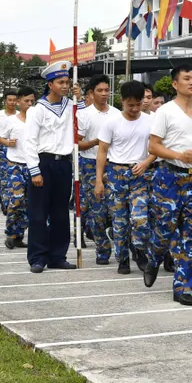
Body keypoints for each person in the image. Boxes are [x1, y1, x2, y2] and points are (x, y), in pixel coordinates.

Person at [144, 63, 192, 304]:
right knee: (164, 229)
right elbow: (153, 147)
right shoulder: (166, 111)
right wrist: (177, 155)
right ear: (175, 84)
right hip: (169, 177)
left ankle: (183, 286)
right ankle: (153, 257)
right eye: (187, 79)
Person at [21, 62, 79, 273]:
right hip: (44, 162)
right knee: (38, 213)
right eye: (60, 82)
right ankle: (37, 257)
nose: (65, 86)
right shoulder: (37, 110)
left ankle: (57, 255)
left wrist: (79, 99)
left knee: (60, 213)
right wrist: (34, 170)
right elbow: (29, 141)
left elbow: (82, 124)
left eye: (67, 82)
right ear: (50, 84)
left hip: (64, 162)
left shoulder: (71, 105)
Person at [93, 80, 154, 274]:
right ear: (122, 101)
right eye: (131, 105)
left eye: (138, 104)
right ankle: (123, 259)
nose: (135, 109)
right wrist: (99, 180)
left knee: (140, 218)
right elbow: (102, 152)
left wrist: (146, 162)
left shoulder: (151, 121)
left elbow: (157, 148)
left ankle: (139, 249)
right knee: (119, 222)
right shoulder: (111, 122)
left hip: (141, 174)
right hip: (117, 174)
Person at [76, 74, 116, 264]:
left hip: (114, 164)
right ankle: (103, 249)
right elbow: (78, 143)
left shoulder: (116, 113)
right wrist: (96, 142)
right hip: (91, 164)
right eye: (100, 90)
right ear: (92, 93)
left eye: (107, 90)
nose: (104, 94)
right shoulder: (84, 114)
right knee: (98, 210)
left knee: (116, 208)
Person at [0, 87, 34, 250]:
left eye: (32, 101)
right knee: (16, 200)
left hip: (32, 166)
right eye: (26, 101)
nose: (30, 104)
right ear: (19, 102)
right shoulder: (10, 121)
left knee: (28, 203)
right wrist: (6, 142)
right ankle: (10, 232)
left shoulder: (37, 120)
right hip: (15, 165)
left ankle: (19, 235)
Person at [0, 92, 19, 215]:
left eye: (14, 100)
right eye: (10, 100)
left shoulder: (20, 115)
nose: (12, 103)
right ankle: (5, 202)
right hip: (2, 147)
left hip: (17, 147)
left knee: (15, 175)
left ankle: (12, 201)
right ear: (5, 101)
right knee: (4, 176)